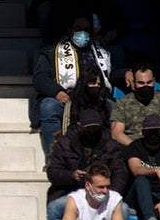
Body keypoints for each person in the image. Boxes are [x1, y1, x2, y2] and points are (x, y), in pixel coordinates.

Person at [34, 16, 113, 157]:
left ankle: (109, 156)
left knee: (114, 108)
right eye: (78, 28)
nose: (82, 33)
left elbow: (110, 75)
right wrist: (57, 92)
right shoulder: (51, 52)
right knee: (49, 107)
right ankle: (54, 158)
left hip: (94, 96)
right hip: (65, 96)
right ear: (70, 30)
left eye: (86, 29)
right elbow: (40, 78)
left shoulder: (101, 53)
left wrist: (128, 72)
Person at [110, 65, 160, 147]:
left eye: (149, 82)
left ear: (154, 81)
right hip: (134, 147)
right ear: (134, 82)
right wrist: (136, 148)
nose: (145, 86)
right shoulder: (122, 103)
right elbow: (117, 134)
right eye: (141, 83)